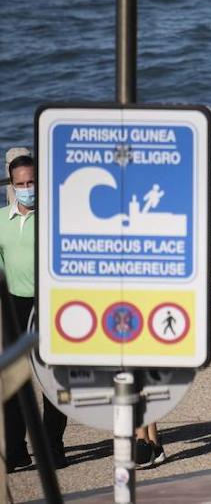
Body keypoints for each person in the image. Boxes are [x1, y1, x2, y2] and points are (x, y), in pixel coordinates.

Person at [1, 155, 69, 472]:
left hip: (51, 305)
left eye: (32, 182)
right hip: (15, 305)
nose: (27, 189)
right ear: (12, 187)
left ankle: (53, 448)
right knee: (12, 384)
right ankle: (16, 452)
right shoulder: (2, 220)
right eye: (21, 184)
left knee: (54, 382)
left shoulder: (56, 218)